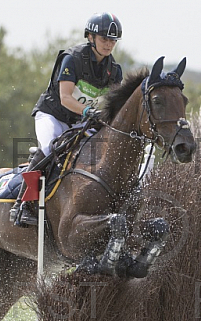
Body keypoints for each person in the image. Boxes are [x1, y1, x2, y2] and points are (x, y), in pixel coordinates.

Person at [10, 12, 124, 226]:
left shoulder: (114, 71)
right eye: (104, 39)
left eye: (112, 40)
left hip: (80, 121)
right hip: (53, 115)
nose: (109, 45)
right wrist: (89, 112)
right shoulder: (72, 59)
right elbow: (65, 98)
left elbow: (112, 105)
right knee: (49, 149)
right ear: (91, 37)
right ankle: (22, 204)